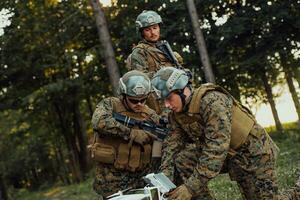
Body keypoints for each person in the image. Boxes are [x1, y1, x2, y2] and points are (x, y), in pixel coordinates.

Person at [151, 66, 300, 200]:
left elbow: (216, 148)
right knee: (183, 159)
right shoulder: (176, 115)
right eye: (163, 100)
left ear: (183, 90)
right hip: (229, 156)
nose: (166, 105)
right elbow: (171, 147)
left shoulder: (212, 102)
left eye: (169, 98)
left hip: (253, 154)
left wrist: (190, 187)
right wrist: (163, 181)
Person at [90, 70, 162, 198]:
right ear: (123, 95)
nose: (139, 104)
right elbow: (99, 121)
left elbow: (161, 139)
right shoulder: (111, 104)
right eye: (134, 101)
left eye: (143, 100)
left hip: (142, 179)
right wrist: (130, 133)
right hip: (113, 180)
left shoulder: (150, 114)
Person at [126, 10, 191, 115]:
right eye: (148, 30)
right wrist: (164, 74)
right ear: (142, 32)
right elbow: (140, 80)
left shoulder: (163, 48)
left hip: (176, 96)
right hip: (159, 100)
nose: (153, 32)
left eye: (155, 28)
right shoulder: (140, 52)